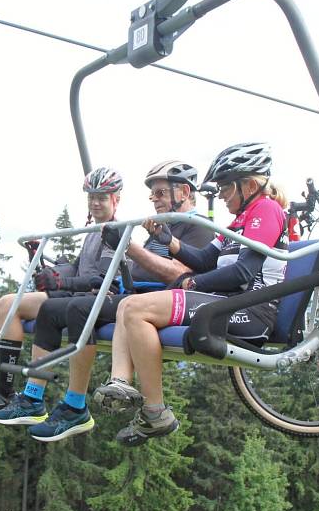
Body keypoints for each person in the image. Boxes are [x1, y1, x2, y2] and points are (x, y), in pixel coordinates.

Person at [0, 161, 215, 440]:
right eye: (152, 194)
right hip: (133, 294)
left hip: (154, 302)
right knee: (50, 310)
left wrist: (127, 247)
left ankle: (75, 405)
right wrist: (55, 273)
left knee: (79, 308)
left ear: (183, 192)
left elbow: (182, 275)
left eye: (160, 193)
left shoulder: (197, 229)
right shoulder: (163, 229)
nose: (154, 200)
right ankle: (33, 398)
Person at [93, 142, 288, 447]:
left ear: (249, 185)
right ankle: (120, 383)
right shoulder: (238, 221)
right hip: (226, 303)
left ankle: (155, 411)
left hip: (250, 311)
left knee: (134, 310)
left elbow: (243, 273)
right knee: (129, 306)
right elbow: (204, 260)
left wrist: (194, 284)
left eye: (226, 187)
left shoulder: (267, 210)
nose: (221, 194)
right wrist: (166, 240)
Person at [0, 167, 123, 419]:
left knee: (10, 305)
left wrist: (62, 283)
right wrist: (48, 266)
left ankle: (4, 390)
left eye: (101, 197)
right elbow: (77, 268)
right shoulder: (94, 232)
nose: (95, 203)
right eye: (91, 197)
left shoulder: (114, 232)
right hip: (73, 295)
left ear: (116, 199)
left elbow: (101, 278)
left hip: (87, 299)